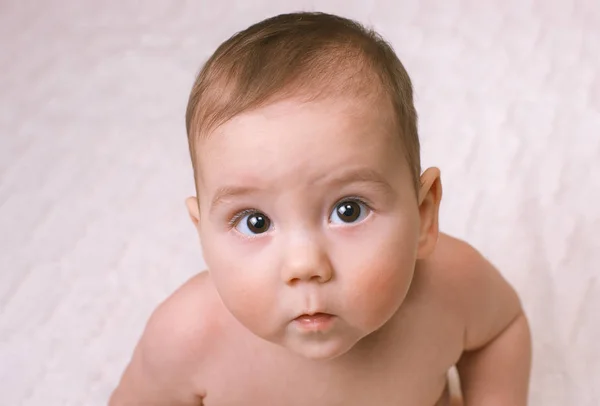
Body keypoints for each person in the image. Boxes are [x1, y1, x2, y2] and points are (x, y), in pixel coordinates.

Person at [109, 11, 532, 405]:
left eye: (348, 210)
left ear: (423, 216)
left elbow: (500, 330)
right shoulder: (187, 337)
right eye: (255, 222)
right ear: (202, 234)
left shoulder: (452, 286)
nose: (304, 264)